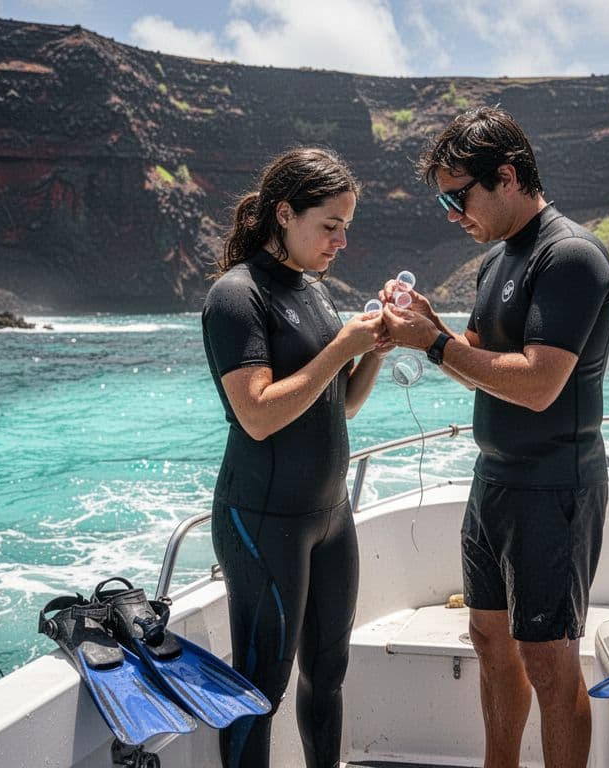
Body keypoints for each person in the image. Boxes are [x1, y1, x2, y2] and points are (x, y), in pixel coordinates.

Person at [380, 106, 609, 768]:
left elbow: (539, 384)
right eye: (443, 203)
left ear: (506, 177)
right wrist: (433, 326)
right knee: (489, 637)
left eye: (459, 196)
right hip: (495, 481)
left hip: (553, 485)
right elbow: (480, 361)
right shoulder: (496, 262)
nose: (453, 213)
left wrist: (433, 345)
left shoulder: (569, 255)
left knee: (550, 660)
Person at [201, 147, 388, 768]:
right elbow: (256, 414)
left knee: (327, 677)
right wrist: (339, 346)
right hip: (263, 520)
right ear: (284, 213)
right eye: (329, 226)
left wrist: (374, 349)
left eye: (345, 228)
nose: (340, 242)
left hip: (330, 517)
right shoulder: (237, 296)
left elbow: (343, 404)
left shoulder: (314, 291)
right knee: (259, 694)